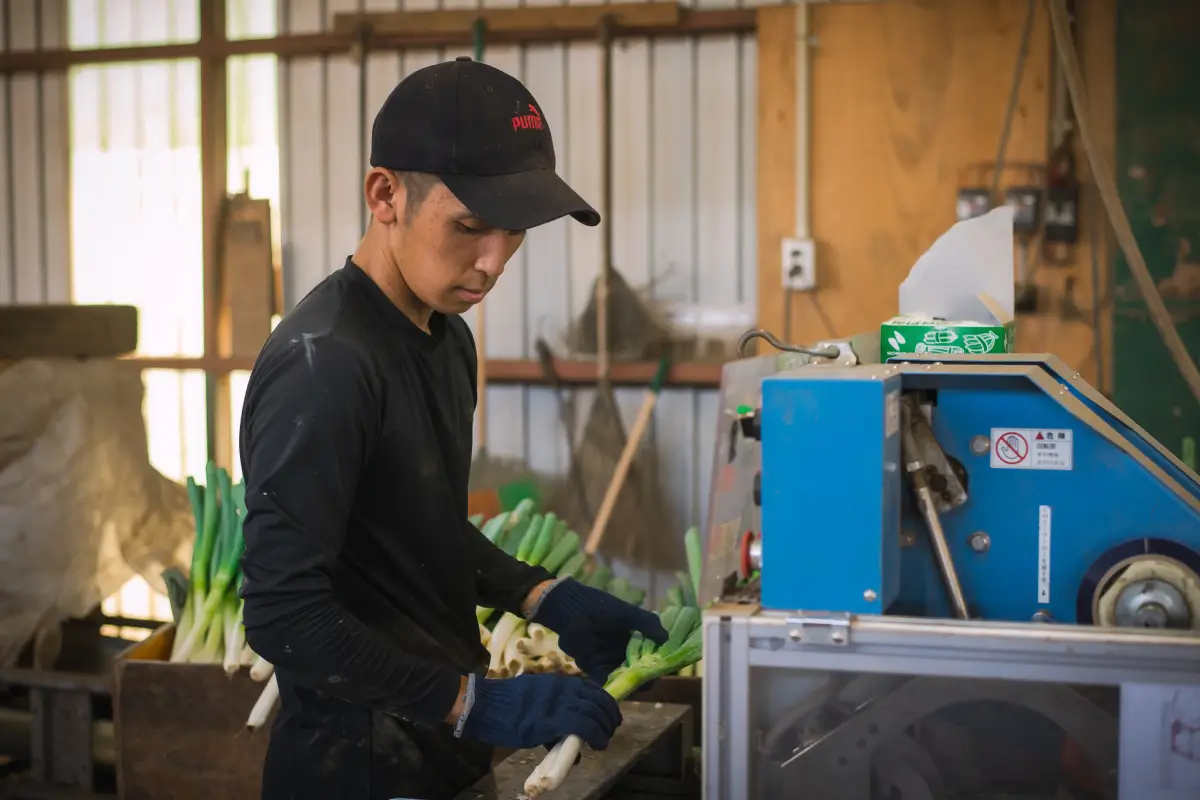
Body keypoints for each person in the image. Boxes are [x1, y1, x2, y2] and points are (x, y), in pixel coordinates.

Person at [237, 57, 669, 800]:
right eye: (469, 226)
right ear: (385, 195)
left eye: (515, 232)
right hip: (356, 767)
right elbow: (283, 616)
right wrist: (474, 701)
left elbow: (414, 525)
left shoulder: (444, 336)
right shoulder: (327, 363)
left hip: (438, 747)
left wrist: (540, 595)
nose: (494, 261)